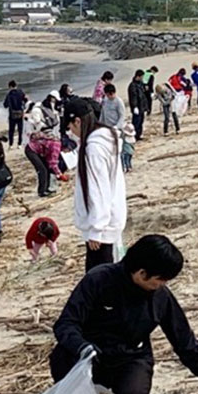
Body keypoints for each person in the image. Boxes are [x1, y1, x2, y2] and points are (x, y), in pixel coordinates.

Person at [49, 234, 198, 394]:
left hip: (130, 356)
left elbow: (184, 342)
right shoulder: (98, 280)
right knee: (62, 361)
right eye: (160, 279)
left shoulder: (161, 297)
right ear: (141, 273)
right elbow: (65, 324)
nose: (162, 284)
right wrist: (82, 347)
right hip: (89, 353)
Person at [65, 97, 126, 271]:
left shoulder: (94, 148)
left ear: (77, 121)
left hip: (103, 227)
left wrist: (96, 229)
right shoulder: (107, 137)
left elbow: (98, 189)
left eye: (70, 127)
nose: (70, 132)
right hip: (111, 218)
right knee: (110, 274)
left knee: (99, 281)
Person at [26, 92, 66, 197]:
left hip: (38, 146)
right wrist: (60, 174)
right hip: (31, 149)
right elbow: (53, 163)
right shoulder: (56, 145)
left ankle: (47, 188)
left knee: (46, 168)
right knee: (42, 169)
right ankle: (42, 191)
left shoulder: (55, 141)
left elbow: (50, 161)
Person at [128, 70, 152, 141]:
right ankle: (134, 136)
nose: (142, 78)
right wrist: (134, 106)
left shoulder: (141, 84)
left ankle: (139, 135)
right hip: (137, 107)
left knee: (141, 121)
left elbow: (144, 94)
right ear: (138, 76)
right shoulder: (132, 85)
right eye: (141, 77)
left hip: (142, 106)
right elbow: (133, 97)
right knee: (136, 122)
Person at [3, 80, 28, 146]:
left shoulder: (9, 94)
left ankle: (11, 144)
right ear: (16, 85)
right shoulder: (21, 92)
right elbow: (26, 100)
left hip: (12, 114)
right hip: (20, 113)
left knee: (11, 130)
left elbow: (5, 105)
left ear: (10, 86)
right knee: (20, 129)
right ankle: (19, 144)